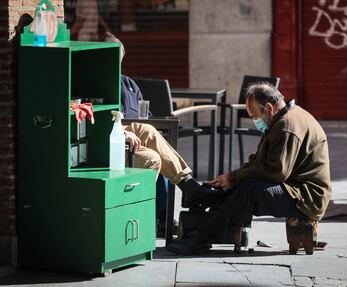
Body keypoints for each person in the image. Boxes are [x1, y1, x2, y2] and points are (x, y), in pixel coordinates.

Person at [166, 82, 332, 255]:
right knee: (238, 186)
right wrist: (230, 178)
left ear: (269, 108)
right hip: (293, 188)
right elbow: (259, 163)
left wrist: (236, 178)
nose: (255, 121)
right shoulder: (280, 119)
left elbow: (277, 172)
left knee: (250, 188)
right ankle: (209, 214)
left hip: (307, 197)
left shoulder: (287, 126)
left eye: (254, 116)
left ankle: (202, 238)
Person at [102, 32, 217, 234]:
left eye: (118, 57)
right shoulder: (96, 81)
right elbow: (95, 116)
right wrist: (121, 131)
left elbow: (146, 114)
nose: (116, 62)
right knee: (156, 157)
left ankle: (182, 193)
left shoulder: (128, 83)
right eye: (111, 57)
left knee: (154, 140)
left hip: (135, 133)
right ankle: (178, 196)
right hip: (113, 137)